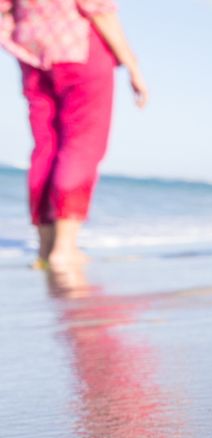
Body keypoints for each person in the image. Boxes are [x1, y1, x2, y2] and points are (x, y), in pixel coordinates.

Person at [1, 0, 147, 270]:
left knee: (45, 148)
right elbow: (99, 10)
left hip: (31, 51)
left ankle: (45, 247)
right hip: (79, 48)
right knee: (83, 143)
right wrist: (133, 65)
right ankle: (64, 248)